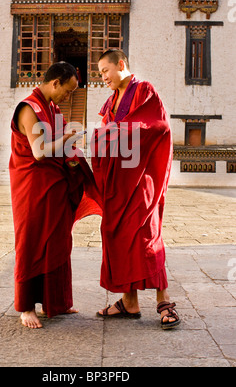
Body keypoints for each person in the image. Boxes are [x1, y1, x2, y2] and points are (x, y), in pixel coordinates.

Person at [91, 49, 181, 330]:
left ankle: (163, 300)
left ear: (121, 64)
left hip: (141, 180)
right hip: (119, 181)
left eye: (105, 71)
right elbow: (108, 132)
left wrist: (115, 131)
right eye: (99, 73)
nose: (102, 77)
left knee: (146, 235)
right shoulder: (111, 101)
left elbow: (157, 124)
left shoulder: (144, 90)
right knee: (116, 233)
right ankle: (129, 302)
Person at [9, 62, 102, 329]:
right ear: (55, 83)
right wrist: (68, 138)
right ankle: (26, 306)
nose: (69, 96)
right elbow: (39, 152)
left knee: (58, 240)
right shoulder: (29, 108)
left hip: (55, 184)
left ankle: (55, 301)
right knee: (33, 239)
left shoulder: (53, 108)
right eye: (69, 90)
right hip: (33, 186)